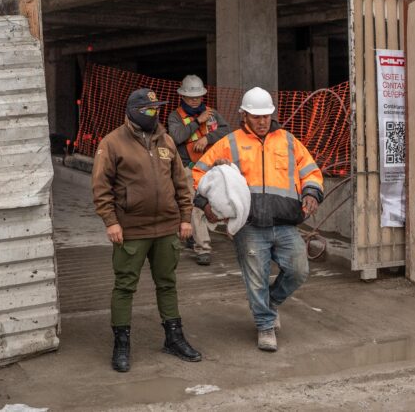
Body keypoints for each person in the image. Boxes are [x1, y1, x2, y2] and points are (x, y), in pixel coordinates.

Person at [191, 87, 323, 352]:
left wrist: (311, 193)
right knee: (256, 279)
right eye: (255, 116)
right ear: (244, 115)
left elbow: (310, 170)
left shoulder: (287, 141)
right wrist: (205, 203)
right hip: (249, 225)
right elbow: (199, 172)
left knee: (299, 270)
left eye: (266, 116)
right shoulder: (230, 143)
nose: (262, 122)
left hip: (285, 223)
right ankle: (265, 326)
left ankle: (270, 305)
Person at [92, 88, 203, 372]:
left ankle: (174, 337)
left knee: (167, 283)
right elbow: (101, 186)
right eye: (148, 110)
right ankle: (121, 344)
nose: (154, 114)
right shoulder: (112, 143)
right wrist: (111, 221)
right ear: (133, 111)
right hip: (131, 230)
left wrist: (186, 217)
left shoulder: (165, 140)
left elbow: (181, 182)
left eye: (156, 110)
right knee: (125, 286)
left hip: (167, 228)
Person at [166, 74, 231, 265]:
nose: (195, 100)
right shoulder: (175, 116)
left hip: (211, 168)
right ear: (183, 97)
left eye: (198, 96)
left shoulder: (212, 113)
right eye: (190, 97)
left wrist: (207, 138)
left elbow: (226, 130)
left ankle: (193, 235)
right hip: (188, 169)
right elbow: (177, 137)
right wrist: (197, 122)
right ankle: (203, 249)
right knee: (195, 205)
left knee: (218, 202)